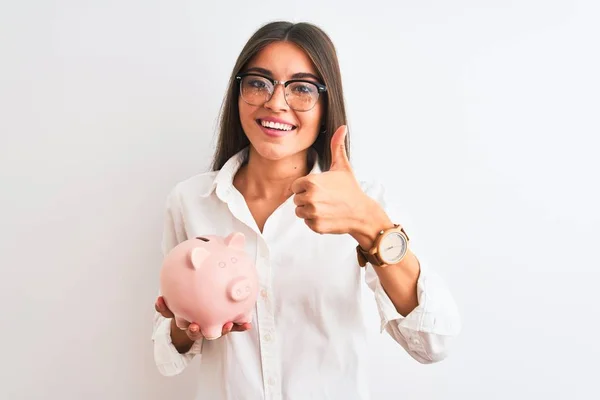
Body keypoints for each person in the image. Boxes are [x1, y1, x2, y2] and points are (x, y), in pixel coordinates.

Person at [152, 21, 461, 400]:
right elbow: (166, 356)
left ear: (327, 103)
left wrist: (370, 224)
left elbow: (432, 343)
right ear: (238, 93)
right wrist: (187, 323)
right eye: (258, 83)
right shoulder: (190, 200)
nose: (276, 102)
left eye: (301, 88)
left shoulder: (364, 201)